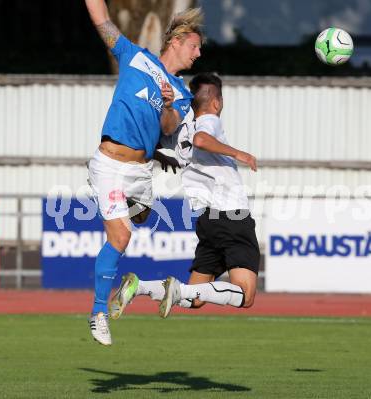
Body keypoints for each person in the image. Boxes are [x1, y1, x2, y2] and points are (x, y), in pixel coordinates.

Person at [85, 0, 204, 345]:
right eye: (194, 46)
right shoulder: (135, 56)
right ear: (176, 42)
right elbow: (102, 20)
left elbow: (169, 126)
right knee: (121, 238)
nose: (198, 54)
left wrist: (168, 104)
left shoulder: (182, 95)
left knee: (141, 217)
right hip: (110, 163)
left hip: (139, 172)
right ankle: (98, 313)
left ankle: (115, 200)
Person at [109, 73, 260, 321]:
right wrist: (238, 153)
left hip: (208, 222)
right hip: (232, 216)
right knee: (245, 295)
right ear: (217, 102)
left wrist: (159, 157)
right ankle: (176, 290)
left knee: (195, 298)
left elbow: (146, 146)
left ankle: (140, 286)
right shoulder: (209, 120)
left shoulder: (179, 134)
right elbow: (202, 139)